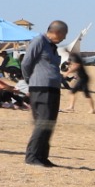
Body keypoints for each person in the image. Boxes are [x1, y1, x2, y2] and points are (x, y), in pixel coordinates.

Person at [21, 20, 68, 167]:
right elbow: (26, 63)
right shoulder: (39, 40)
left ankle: (42, 156)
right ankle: (32, 156)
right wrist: (31, 81)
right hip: (41, 88)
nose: (64, 38)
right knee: (43, 122)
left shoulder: (52, 47)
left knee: (49, 123)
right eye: (64, 34)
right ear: (57, 32)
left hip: (53, 88)